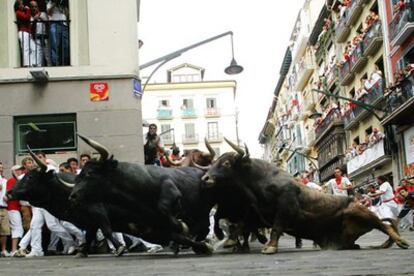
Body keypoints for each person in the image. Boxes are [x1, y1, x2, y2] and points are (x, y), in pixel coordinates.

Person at [5, 165, 25, 257]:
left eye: (21, 170)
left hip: (17, 208)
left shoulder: (19, 181)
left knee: (18, 228)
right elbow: (8, 194)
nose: (20, 171)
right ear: (14, 172)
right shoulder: (12, 181)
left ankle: (16, 249)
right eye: (18, 170)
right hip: (12, 208)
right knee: (17, 228)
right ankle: (14, 250)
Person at [47, 0, 70, 65]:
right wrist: (55, 3)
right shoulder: (49, 3)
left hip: (64, 25)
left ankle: (65, 62)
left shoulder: (62, 4)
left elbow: (67, 14)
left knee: (66, 45)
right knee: (55, 45)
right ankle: (55, 63)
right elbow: (49, 13)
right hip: (55, 23)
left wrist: (63, 5)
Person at [15, 0, 35, 67]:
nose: (23, 5)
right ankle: (27, 64)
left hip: (28, 32)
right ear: (18, 6)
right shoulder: (18, 12)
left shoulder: (24, 12)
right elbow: (26, 18)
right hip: (23, 32)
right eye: (21, 4)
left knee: (33, 48)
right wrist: (28, 10)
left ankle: (32, 63)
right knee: (25, 48)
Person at [30, 0, 48, 66]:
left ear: (38, 7)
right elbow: (30, 25)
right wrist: (34, 19)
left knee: (47, 55)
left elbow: (47, 21)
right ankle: (39, 66)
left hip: (44, 37)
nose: (34, 8)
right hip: (35, 38)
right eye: (32, 7)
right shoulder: (30, 16)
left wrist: (39, 16)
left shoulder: (43, 14)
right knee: (38, 54)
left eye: (35, 7)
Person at [0, 162, 11, 257]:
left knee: (4, 230)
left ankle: (3, 250)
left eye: (2, 168)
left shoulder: (5, 180)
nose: (1, 169)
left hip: (3, 207)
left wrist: (8, 197)